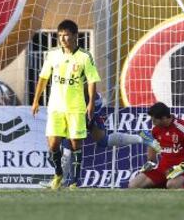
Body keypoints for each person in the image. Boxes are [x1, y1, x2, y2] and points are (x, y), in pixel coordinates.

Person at [32, 19, 100, 190]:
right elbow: (43, 78)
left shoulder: (84, 56)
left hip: (75, 107)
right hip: (55, 106)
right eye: (60, 36)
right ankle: (58, 173)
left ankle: (75, 181)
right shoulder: (53, 54)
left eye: (66, 35)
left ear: (75, 36)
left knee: (76, 144)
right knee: (53, 144)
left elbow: (92, 80)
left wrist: (90, 102)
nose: (63, 39)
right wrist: (36, 100)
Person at [39, 93, 161, 188]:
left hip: (81, 106)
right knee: (102, 141)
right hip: (85, 104)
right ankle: (141, 138)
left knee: (68, 143)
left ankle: (61, 180)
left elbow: (88, 84)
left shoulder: (75, 69)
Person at [128, 102, 184, 189]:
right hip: (163, 169)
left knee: (172, 184)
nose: (153, 123)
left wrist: (182, 167)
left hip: (183, 169)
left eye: (154, 120)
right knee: (133, 185)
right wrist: (150, 163)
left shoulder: (183, 127)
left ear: (164, 118)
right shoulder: (156, 130)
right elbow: (152, 149)